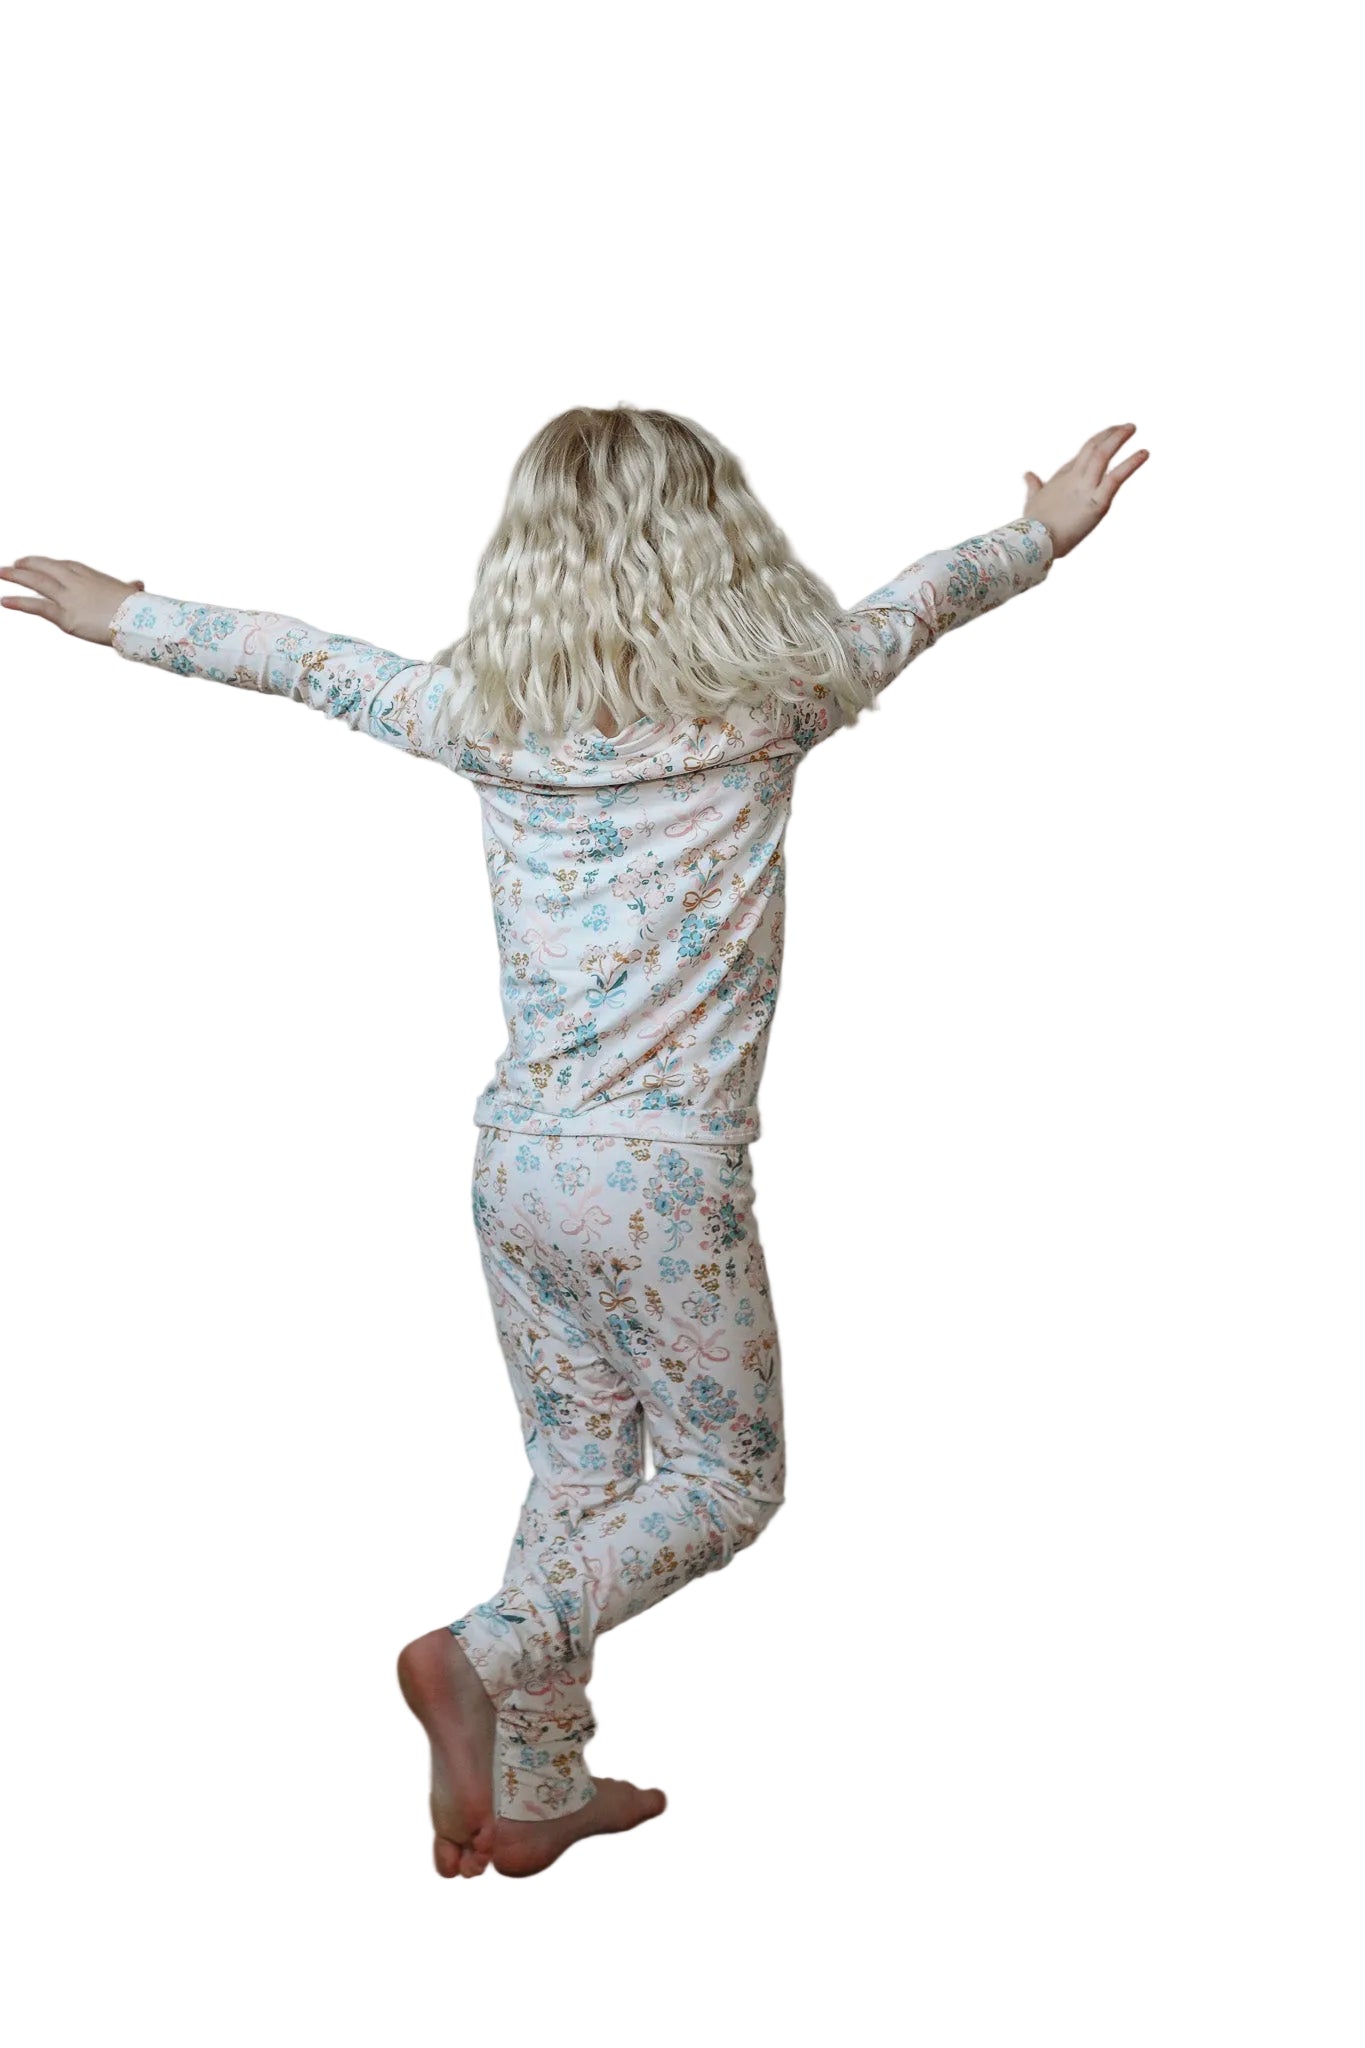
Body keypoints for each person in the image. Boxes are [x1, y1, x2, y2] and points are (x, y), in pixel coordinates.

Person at [0, 407, 1148, 1881]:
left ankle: (538, 1785)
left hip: (518, 1167)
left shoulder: (482, 717)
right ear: (723, 546)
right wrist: (1041, 533)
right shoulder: (782, 697)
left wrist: (124, 618)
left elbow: (303, 660)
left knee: (582, 1473)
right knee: (725, 1483)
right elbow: (919, 602)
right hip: (664, 1174)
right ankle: (479, 1656)